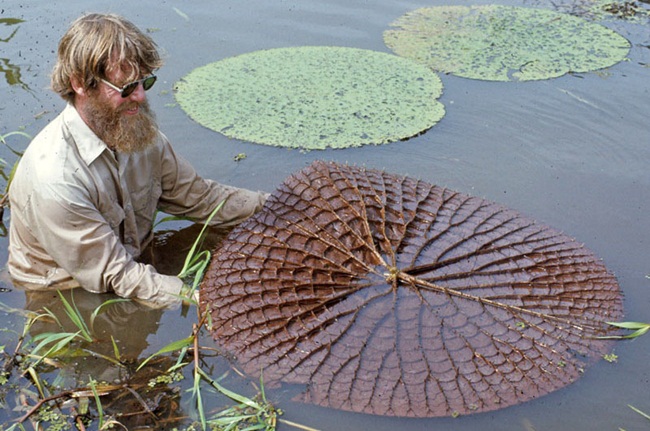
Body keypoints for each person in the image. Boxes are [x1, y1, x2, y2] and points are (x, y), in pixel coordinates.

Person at [7, 13, 268, 306]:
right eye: (127, 89)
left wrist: (281, 207)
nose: (141, 97)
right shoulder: (56, 179)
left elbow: (204, 199)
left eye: (146, 82)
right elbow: (119, 276)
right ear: (80, 84)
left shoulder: (138, 134)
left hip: (131, 262)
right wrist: (202, 301)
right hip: (70, 295)